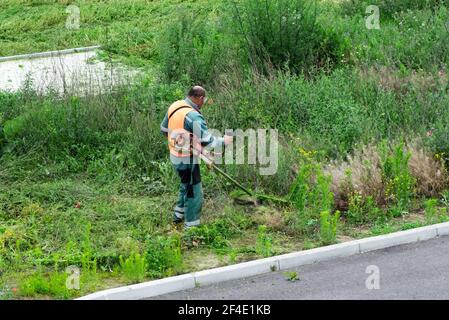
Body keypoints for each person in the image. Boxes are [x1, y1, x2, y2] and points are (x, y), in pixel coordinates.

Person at [160, 86, 233, 230]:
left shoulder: (175, 105)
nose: (203, 103)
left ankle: (178, 216)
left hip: (174, 155)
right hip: (187, 159)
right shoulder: (193, 116)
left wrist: (183, 142)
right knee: (194, 192)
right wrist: (224, 141)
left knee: (185, 184)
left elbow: (164, 129)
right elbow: (209, 142)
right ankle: (191, 228)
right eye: (203, 100)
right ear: (199, 99)